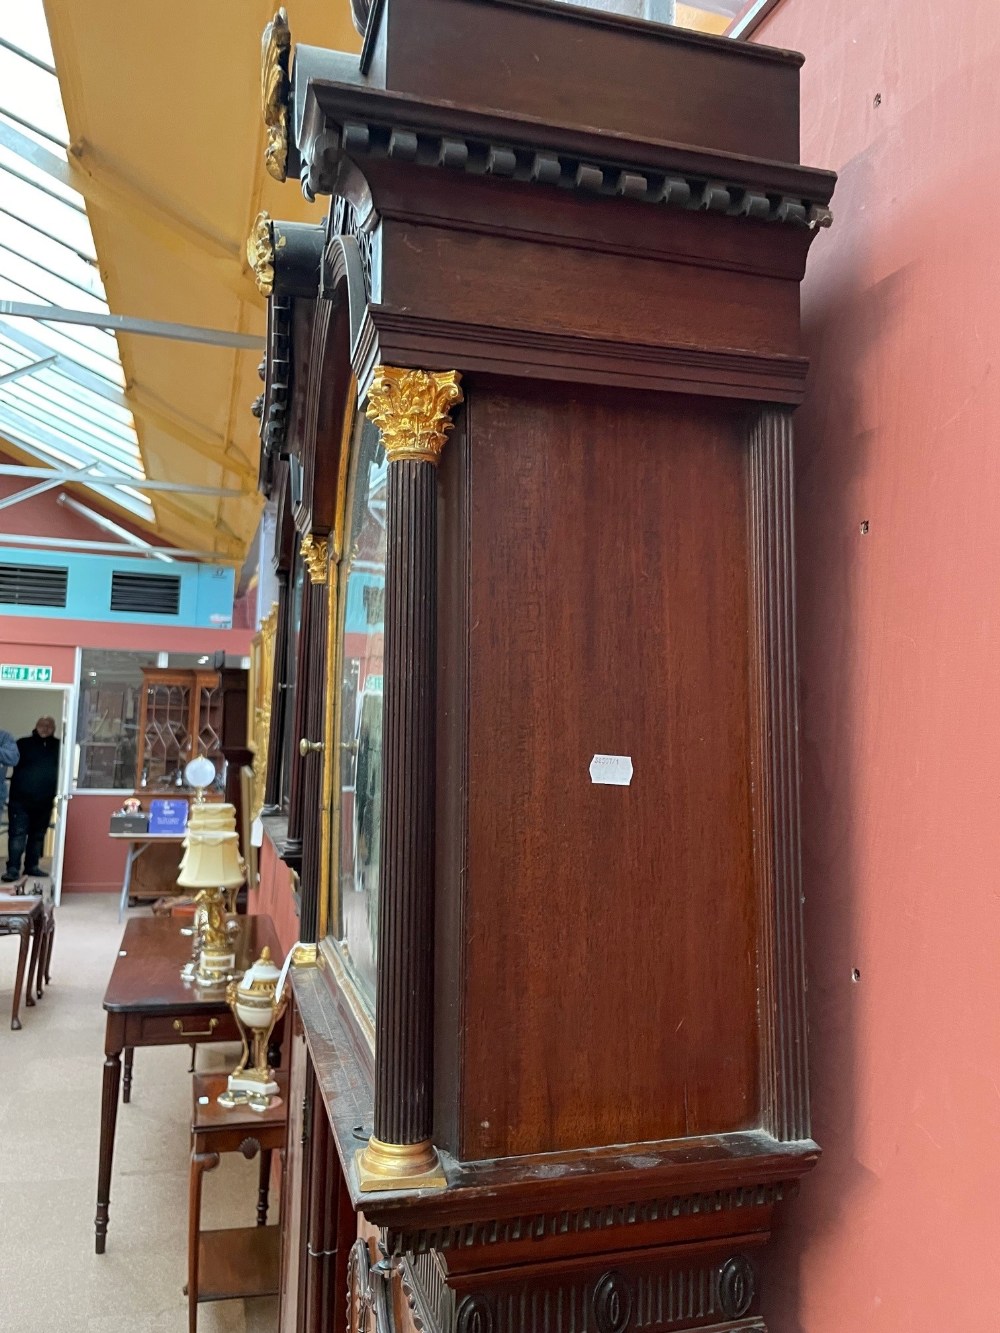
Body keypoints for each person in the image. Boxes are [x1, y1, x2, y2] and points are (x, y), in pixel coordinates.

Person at [3, 717, 59, 882]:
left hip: (44, 801)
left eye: (49, 726)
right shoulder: (22, 744)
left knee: (37, 836)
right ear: (36, 726)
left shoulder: (58, 746)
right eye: (42, 725)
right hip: (20, 801)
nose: (45, 728)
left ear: (54, 728)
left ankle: (31, 867)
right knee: (17, 836)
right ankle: (13, 869)